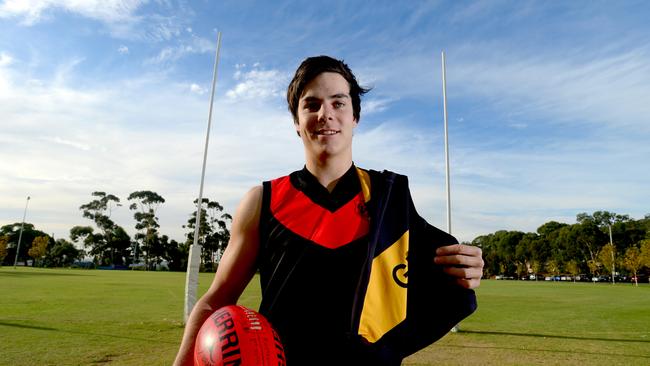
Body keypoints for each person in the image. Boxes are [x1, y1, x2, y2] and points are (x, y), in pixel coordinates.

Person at [174, 55, 484, 366]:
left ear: (355, 118)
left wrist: (469, 266)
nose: (326, 114)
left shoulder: (390, 199)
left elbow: (450, 270)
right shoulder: (262, 201)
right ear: (297, 122)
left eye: (338, 103)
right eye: (311, 105)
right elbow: (216, 300)